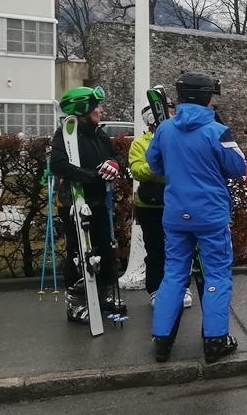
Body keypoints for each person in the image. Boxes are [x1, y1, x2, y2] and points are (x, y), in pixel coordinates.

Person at [147, 72, 247, 363]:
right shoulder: (217, 131)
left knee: (174, 275)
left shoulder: (164, 129)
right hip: (210, 215)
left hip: (176, 214)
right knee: (216, 274)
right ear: (208, 97)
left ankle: (162, 341)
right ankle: (215, 341)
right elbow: (238, 167)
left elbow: (154, 164)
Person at [51, 86, 127, 324]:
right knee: (78, 251)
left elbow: (117, 155)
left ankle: (105, 294)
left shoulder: (98, 134)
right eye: (97, 107)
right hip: (74, 202)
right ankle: (76, 302)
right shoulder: (65, 134)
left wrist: (114, 164)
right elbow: (59, 165)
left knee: (105, 247)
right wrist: (92, 175)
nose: (101, 111)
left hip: (99, 201)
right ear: (83, 108)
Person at [129, 103, 192, 309]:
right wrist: (159, 163)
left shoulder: (180, 139)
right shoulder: (140, 144)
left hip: (178, 203)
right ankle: (156, 289)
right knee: (155, 249)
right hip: (151, 205)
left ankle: (182, 286)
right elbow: (137, 171)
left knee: (181, 248)